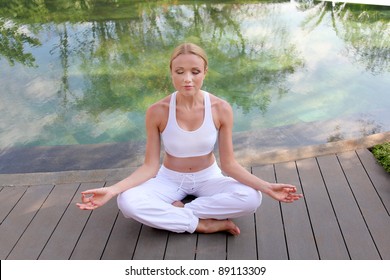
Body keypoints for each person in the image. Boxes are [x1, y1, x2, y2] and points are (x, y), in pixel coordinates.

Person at [76, 43, 302, 235]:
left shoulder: (220, 108)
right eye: (179, 71)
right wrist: (113, 190)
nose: (187, 79)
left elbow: (229, 165)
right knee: (126, 202)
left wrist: (267, 187)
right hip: (169, 179)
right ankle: (200, 224)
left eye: (195, 72)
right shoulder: (157, 111)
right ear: (171, 72)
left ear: (205, 72)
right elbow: (149, 167)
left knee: (252, 198)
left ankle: (176, 212)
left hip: (209, 177)